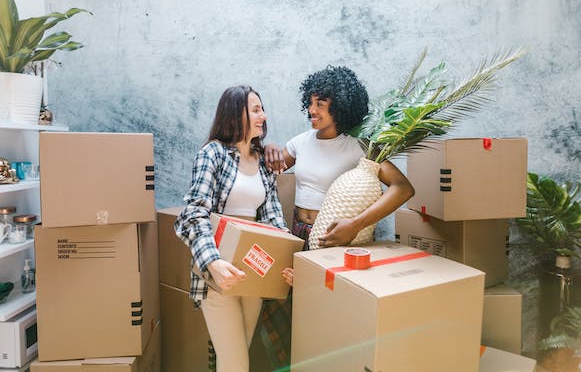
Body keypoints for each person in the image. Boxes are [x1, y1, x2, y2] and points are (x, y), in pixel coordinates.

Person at [260, 65, 415, 370]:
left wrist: (354, 225)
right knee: (280, 310)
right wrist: (269, 149)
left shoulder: (360, 146)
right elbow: (270, 169)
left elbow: (402, 188)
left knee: (324, 317)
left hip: (335, 242)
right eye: (310, 102)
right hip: (297, 236)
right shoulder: (301, 142)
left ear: (341, 105)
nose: (311, 110)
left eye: (320, 103)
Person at [174, 85, 288, 372]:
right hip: (218, 273)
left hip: (254, 272)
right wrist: (213, 263)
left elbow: (274, 220)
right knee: (236, 365)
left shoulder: (263, 163)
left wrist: (287, 261)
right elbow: (193, 213)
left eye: (262, 109)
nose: (264, 115)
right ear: (235, 113)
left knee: (234, 360)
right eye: (256, 109)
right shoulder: (213, 154)